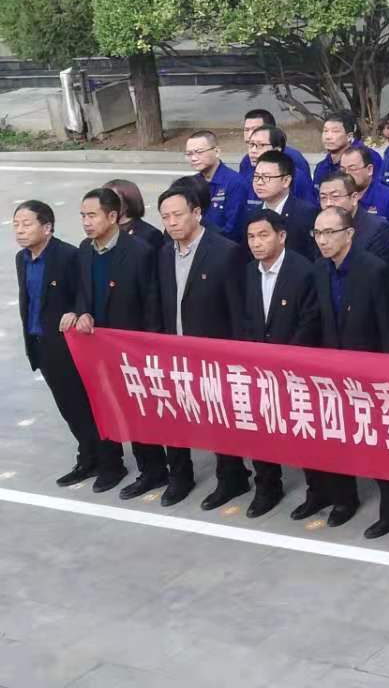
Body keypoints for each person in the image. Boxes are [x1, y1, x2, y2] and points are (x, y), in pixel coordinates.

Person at [311, 206, 389, 537]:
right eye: (317, 233)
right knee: (337, 438)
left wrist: (387, 379)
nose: (322, 240)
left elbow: (388, 328)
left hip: (371, 375)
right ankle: (344, 500)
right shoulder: (319, 269)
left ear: (350, 234)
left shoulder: (374, 270)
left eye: (329, 233)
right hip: (333, 373)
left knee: (382, 445)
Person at [62, 188, 163, 498]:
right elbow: (83, 291)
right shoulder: (85, 249)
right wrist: (81, 312)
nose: (86, 222)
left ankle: (153, 470)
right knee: (103, 406)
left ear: (113, 216)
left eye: (92, 215)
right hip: (95, 346)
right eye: (83, 216)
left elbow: (151, 303)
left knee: (137, 411)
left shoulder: (140, 252)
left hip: (130, 349)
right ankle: (111, 464)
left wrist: (148, 349)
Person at [154, 183, 250, 509]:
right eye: (166, 217)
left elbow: (237, 310)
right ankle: (180, 476)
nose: (172, 222)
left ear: (197, 213)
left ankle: (231, 477)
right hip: (174, 353)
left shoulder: (225, 252)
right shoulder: (164, 253)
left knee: (220, 420)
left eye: (178, 215)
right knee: (172, 416)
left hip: (215, 355)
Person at [15, 199, 112, 491]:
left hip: (70, 345)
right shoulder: (21, 258)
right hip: (40, 343)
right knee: (68, 407)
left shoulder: (68, 255)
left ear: (47, 228)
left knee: (87, 405)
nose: (20, 230)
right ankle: (88, 458)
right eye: (16, 224)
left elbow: (85, 293)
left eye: (27, 224)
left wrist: (75, 311)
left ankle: (109, 463)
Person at [237, 210, 320, 519]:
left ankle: (318, 492)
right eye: (251, 237)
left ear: (281, 236)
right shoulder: (248, 272)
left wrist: (286, 362)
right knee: (260, 429)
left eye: (263, 235)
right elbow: (246, 318)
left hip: (296, 370)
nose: (256, 243)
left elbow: (309, 321)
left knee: (305, 433)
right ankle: (267, 487)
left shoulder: (303, 271)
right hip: (258, 369)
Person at [250, 149, 319, 260]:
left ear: (286, 181)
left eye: (266, 177)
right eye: (256, 176)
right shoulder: (252, 215)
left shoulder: (306, 214)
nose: (259, 182)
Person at [317, 172, 389, 267]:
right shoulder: (319, 227)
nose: (328, 203)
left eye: (335, 197)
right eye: (323, 198)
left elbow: (376, 270)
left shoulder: (377, 228)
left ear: (354, 198)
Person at [184, 129, 250, 244]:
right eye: (189, 154)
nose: (194, 158)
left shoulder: (235, 183)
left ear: (217, 151)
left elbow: (233, 229)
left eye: (199, 152)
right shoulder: (191, 184)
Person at [236, 109, 317, 202]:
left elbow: (306, 201)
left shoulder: (294, 162)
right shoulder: (246, 161)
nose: (250, 134)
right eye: (246, 130)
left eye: (256, 129)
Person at [340, 144, 389, 239]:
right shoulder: (338, 198)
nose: (347, 174)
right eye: (343, 170)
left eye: (352, 169)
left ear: (369, 170)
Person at [313, 111, 382, 189]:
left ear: (349, 136)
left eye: (335, 131)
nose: (328, 137)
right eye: (325, 131)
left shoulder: (369, 157)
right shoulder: (322, 167)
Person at [104, 178, 165, 254]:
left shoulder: (150, 234)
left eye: (113, 199)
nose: (107, 204)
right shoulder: (100, 229)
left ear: (128, 200)